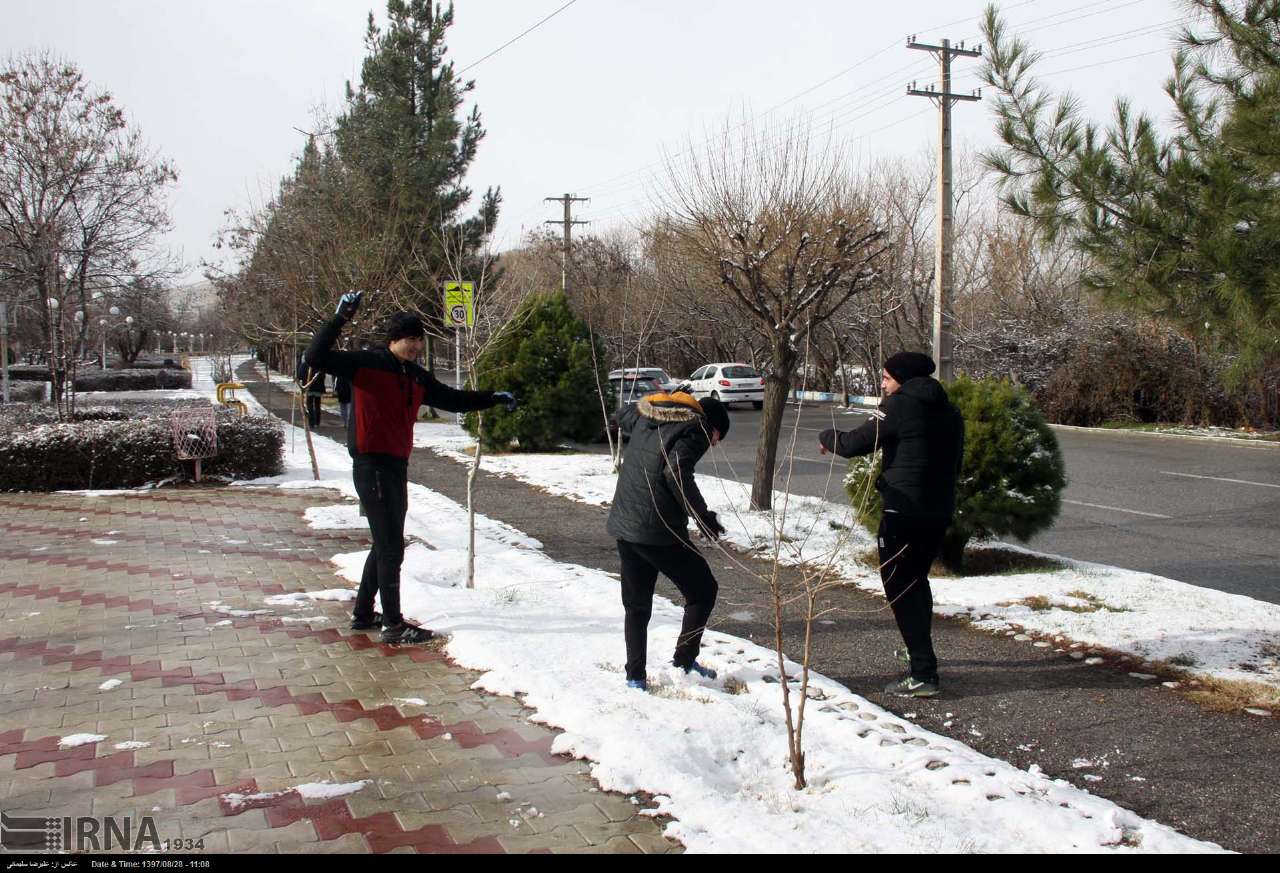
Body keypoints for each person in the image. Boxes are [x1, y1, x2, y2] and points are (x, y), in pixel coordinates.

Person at [305, 291, 516, 644]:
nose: (416, 345)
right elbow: (315, 356)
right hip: (370, 465)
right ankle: (393, 624)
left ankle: (362, 614)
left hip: (396, 467)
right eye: (410, 339)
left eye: (420, 339)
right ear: (393, 339)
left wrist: (492, 398)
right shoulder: (364, 364)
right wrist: (339, 318)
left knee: (386, 542)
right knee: (391, 547)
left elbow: (453, 400)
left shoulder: (416, 377)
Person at [818, 351, 964, 698]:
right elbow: (956, 463)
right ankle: (919, 654)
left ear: (901, 377)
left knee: (900, 588)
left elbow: (854, 444)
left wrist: (826, 436)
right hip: (938, 510)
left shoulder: (899, 406)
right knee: (916, 581)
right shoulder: (950, 410)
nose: (883, 384)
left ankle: (923, 673)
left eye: (885, 377)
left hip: (903, 511)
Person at [606, 388, 731, 690]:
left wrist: (660, 399)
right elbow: (676, 473)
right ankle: (684, 663)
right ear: (712, 427)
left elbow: (619, 416)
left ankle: (635, 677)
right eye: (717, 438)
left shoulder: (649, 416)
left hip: (625, 525)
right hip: (657, 530)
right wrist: (704, 518)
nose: (712, 445)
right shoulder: (694, 430)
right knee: (703, 590)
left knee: (637, 606)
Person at [296, 351, 323, 428]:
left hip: (309, 387)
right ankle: (317, 421)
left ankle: (312, 422)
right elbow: (322, 376)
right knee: (317, 405)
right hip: (318, 388)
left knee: (310, 405)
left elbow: (300, 375)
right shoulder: (319, 364)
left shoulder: (305, 365)